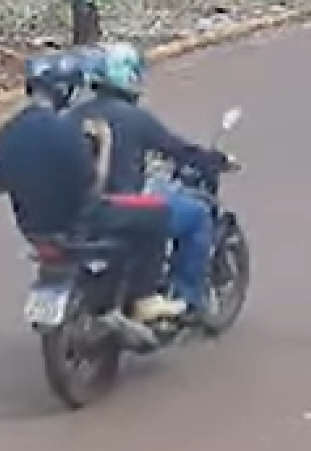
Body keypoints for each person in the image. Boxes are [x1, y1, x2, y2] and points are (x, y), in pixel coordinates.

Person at [0, 50, 174, 322]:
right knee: (158, 213)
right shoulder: (68, 130)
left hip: (33, 229)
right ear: (65, 89)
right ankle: (145, 298)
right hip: (81, 222)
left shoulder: (8, 131)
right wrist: (105, 142)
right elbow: (95, 183)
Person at [71, 41, 227, 321]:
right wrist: (214, 160)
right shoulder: (135, 118)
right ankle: (186, 297)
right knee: (198, 215)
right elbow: (177, 150)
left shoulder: (73, 116)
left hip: (79, 211)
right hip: (122, 208)